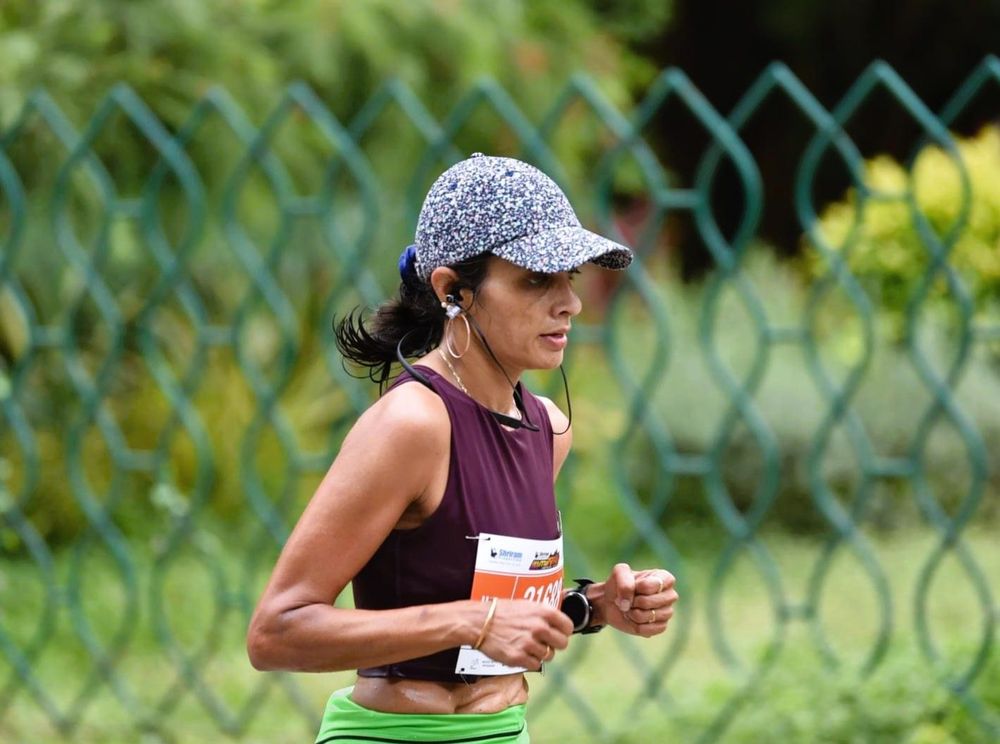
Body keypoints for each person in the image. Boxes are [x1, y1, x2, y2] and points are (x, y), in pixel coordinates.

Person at [247, 153, 679, 743]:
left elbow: (486, 601)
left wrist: (598, 605)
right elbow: (276, 632)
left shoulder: (547, 427)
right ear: (454, 290)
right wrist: (472, 622)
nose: (570, 303)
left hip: (505, 730)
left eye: (569, 279)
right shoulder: (412, 424)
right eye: (535, 278)